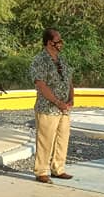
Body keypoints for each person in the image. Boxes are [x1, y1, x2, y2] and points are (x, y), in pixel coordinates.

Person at [31, 28, 73, 184]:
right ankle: (41, 171)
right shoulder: (39, 60)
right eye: (58, 41)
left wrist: (71, 99)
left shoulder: (62, 60)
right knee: (45, 140)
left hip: (64, 109)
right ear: (49, 42)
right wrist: (57, 102)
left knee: (62, 139)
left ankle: (58, 169)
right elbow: (41, 85)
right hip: (48, 108)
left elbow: (69, 80)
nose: (61, 43)